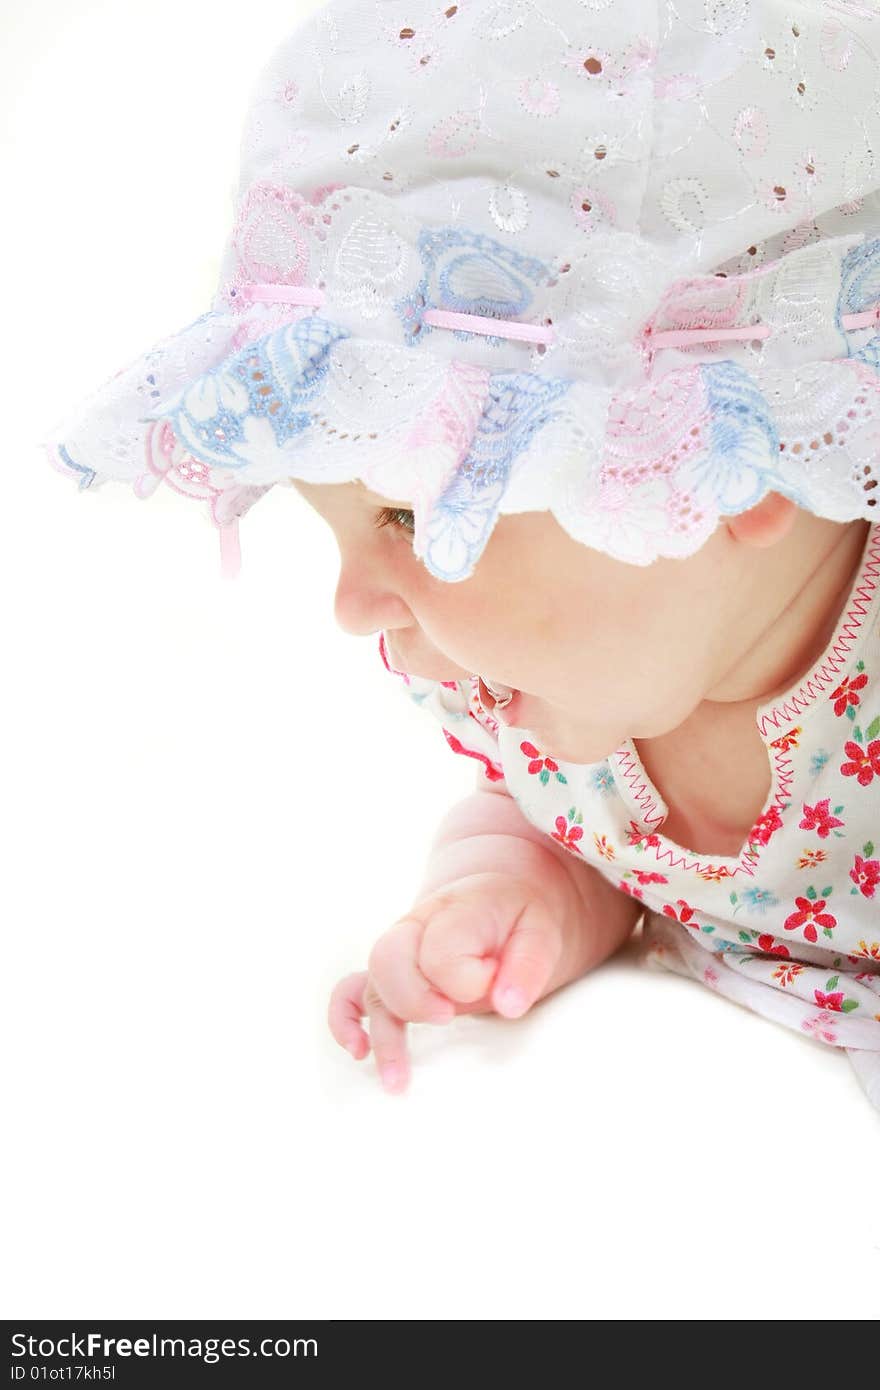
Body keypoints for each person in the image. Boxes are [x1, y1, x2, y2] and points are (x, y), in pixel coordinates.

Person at [43, 0, 880, 1106]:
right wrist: (518, 884)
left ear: (722, 468)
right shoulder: (544, 689)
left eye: (408, 519)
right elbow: (587, 836)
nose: (353, 607)